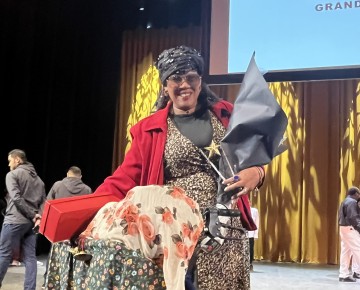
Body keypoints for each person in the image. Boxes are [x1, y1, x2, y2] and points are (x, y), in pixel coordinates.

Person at [91, 45, 264, 290]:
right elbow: (122, 180)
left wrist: (256, 173)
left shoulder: (226, 114)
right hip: (178, 235)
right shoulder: (149, 129)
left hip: (226, 228)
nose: (185, 84)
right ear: (164, 85)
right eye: (176, 78)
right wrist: (84, 209)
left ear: (201, 81)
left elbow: (255, 156)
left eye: (192, 77)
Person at [0, 149, 46, 290]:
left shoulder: (12, 175)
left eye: (10, 161)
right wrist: (38, 218)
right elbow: (44, 202)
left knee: (4, 254)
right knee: (30, 258)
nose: (9, 164)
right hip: (31, 224)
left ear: (18, 160)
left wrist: (32, 215)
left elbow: (16, 198)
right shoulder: (39, 181)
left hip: (15, 220)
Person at [42, 166, 92, 289]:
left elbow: (48, 204)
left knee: (55, 256)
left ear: (67, 174)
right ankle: (74, 283)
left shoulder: (57, 185)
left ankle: (49, 281)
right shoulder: (87, 189)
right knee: (75, 257)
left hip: (59, 229)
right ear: (80, 177)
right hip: (78, 230)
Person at [338, 186, 360, 282]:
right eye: (358, 194)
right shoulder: (352, 202)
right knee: (358, 250)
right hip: (351, 228)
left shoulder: (344, 201)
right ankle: (348, 273)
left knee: (345, 252)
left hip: (343, 228)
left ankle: (343, 275)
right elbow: (353, 217)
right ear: (355, 194)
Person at [248, 200, 259, 272]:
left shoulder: (254, 211)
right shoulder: (240, 210)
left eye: (249, 202)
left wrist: (256, 234)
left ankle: (250, 264)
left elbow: (257, 223)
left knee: (250, 250)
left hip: (251, 234)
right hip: (242, 234)